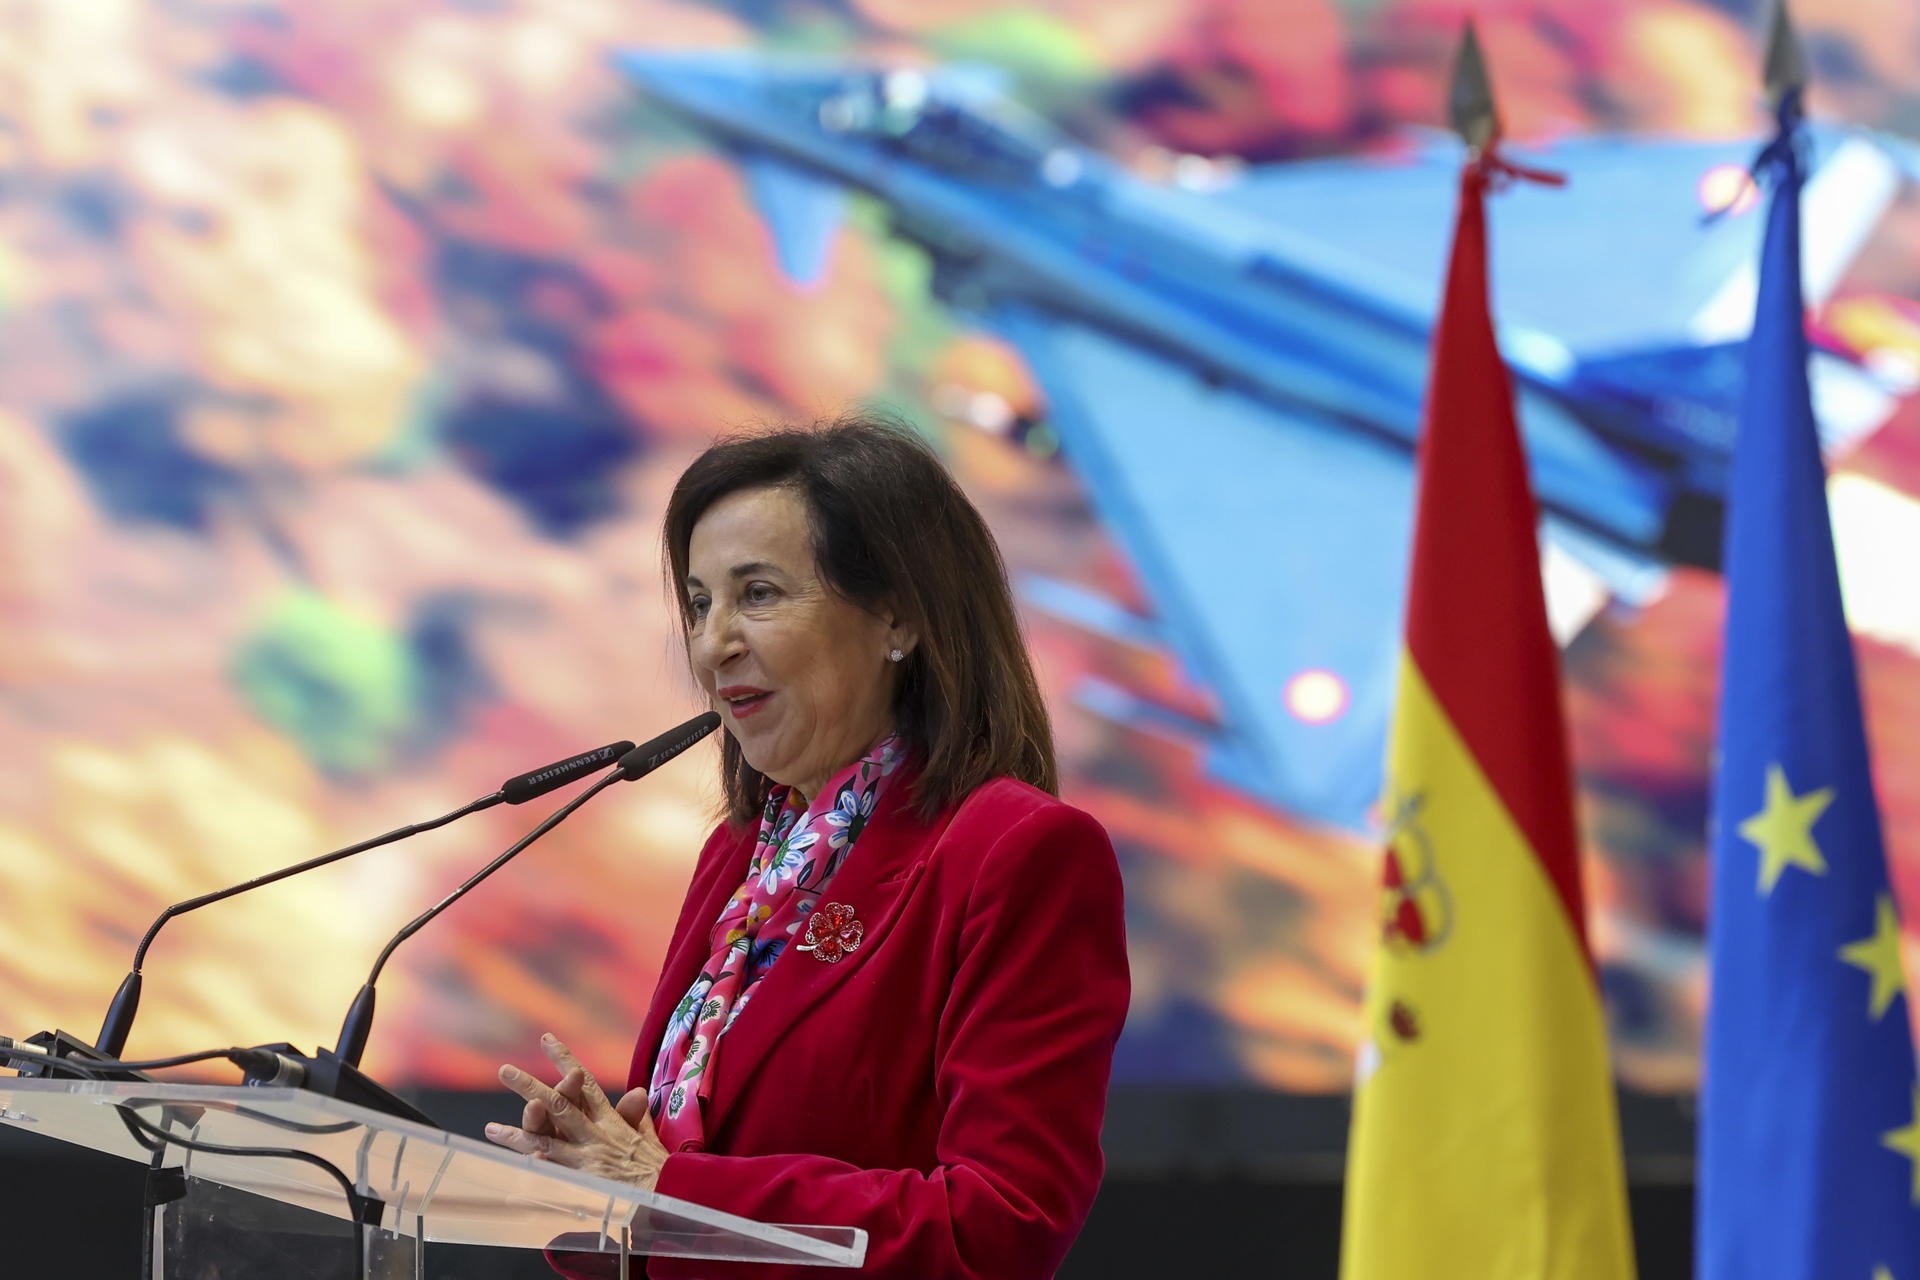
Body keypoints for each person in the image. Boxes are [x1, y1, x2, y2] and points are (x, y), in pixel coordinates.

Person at [484, 416, 1130, 1278]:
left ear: (898, 616)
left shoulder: (1017, 853)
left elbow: (1000, 1226)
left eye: (759, 593)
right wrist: (593, 1176)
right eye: (702, 603)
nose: (714, 644)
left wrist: (668, 1192)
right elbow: (690, 1188)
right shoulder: (740, 860)